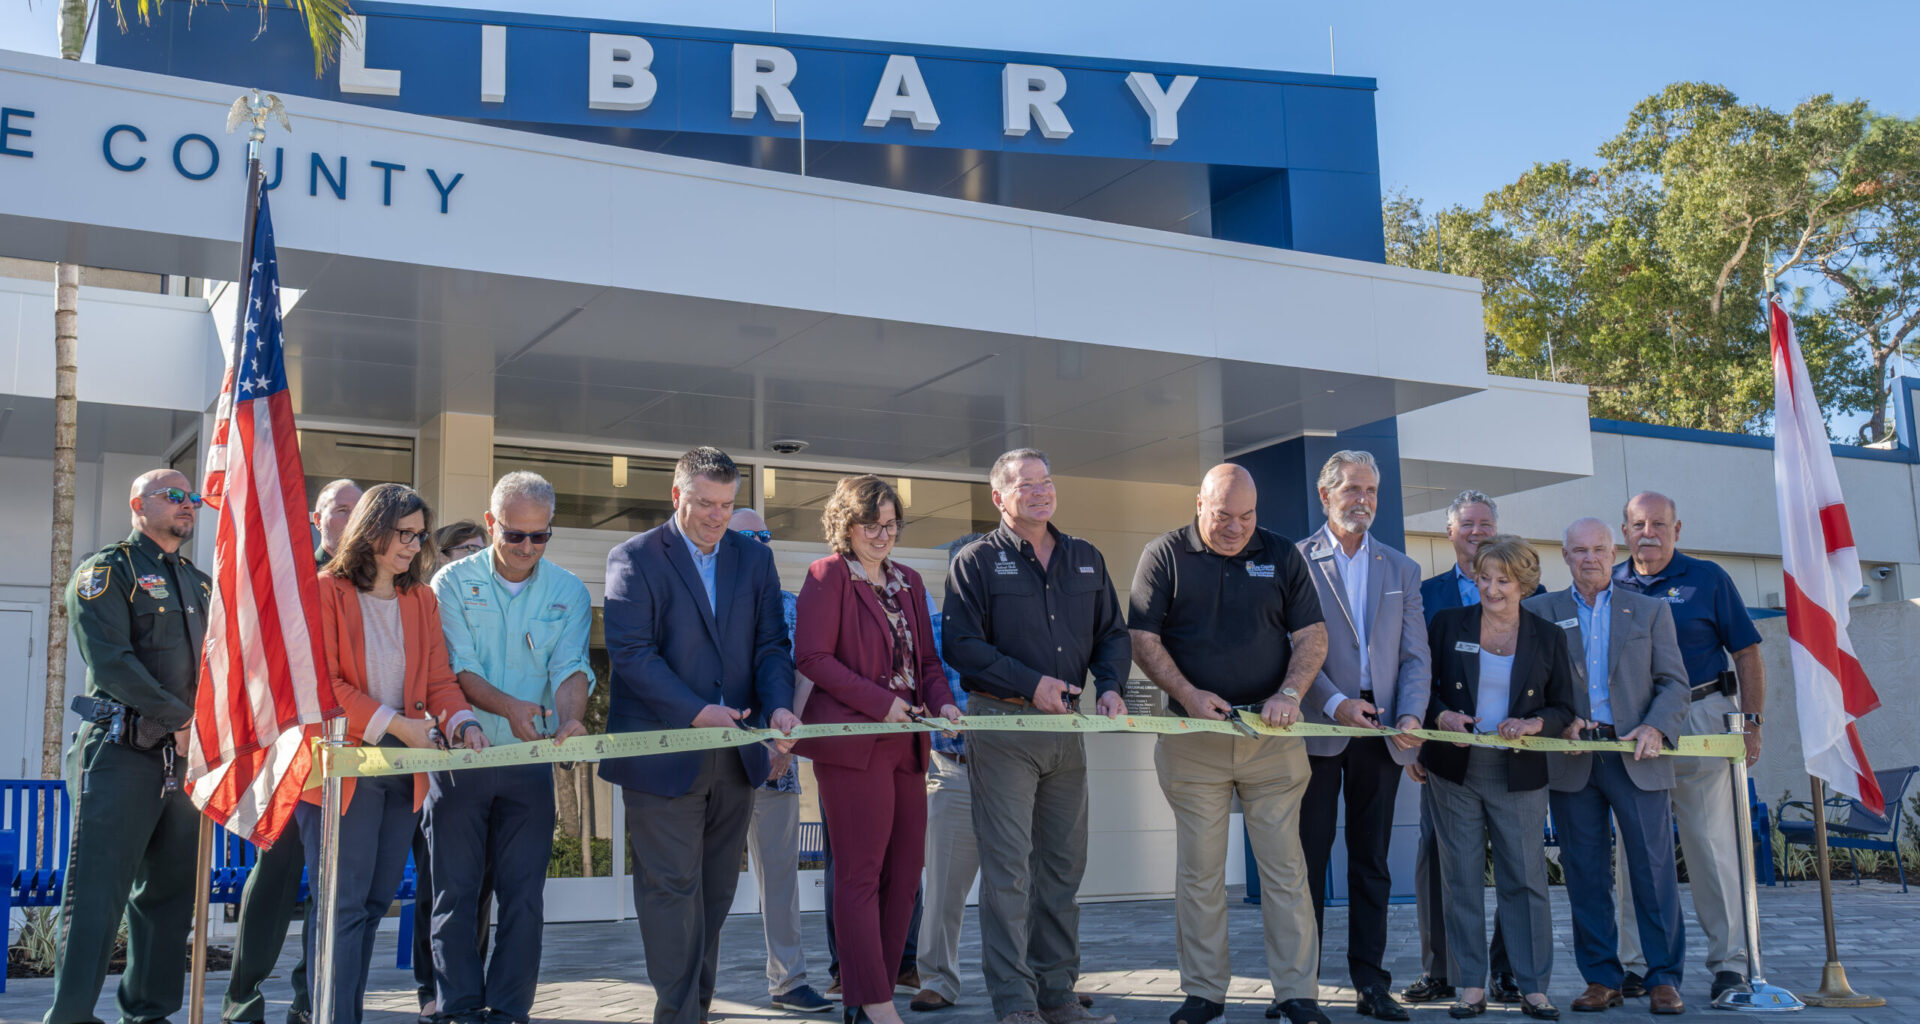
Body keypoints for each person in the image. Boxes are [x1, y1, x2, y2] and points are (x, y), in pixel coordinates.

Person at [600, 446, 800, 1024]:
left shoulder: (752, 561)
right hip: (663, 758)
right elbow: (632, 655)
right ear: (677, 496)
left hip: (735, 756)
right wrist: (696, 712)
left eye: (727, 504)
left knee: (714, 895)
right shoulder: (634, 557)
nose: (716, 515)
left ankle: (694, 1009)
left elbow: (771, 647)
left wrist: (780, 707)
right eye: (705, 503)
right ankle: (679, 1014)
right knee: (670, 892)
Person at [1128, 464, 1332, 1024]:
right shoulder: (1164, 554)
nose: (1236, 528)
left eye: (1247, 516)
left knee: (1285, 868)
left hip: (1272, 737)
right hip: (1194, 737)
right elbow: (1142, 638)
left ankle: (1297, 993)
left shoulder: (1283, 554)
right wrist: (1189, 694)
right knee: (1200, 869)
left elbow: (1313, 635)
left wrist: (1291, 692)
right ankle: (1203, 993)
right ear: (1199, 504)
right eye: (1223, 516)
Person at [943, 448, 1130, 1024]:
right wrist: (1032, 682)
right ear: (999, 497)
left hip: (1065, 731)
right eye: (1026, 485)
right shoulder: (976, 561)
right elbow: (962, 647)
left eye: (1046, 481)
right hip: (1001, 724)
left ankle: (1057, 993)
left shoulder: (1085, 558)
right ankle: (1015, 1002)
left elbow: (1112, 634)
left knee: (1062, 867)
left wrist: (1111, 686)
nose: (1041, 492)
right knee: (1008, 871)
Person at [302, 482, 486, 1024]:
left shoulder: (420, 598)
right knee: (343, 908)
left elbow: (439, 680)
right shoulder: (323, 591)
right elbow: (324, 685)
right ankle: (333, 1016)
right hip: (344, 770)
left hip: (404, 770)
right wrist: (398, 727)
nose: (412, 545)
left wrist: (462, 720)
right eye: (402, 533)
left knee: (375, 903)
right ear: (372, 529)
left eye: (419, 535)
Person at [428, 472, 594, 1024]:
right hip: (460, 763)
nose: (527, 547)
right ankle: (458, 1007)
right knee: (456, 894)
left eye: (540, 536)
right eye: (515, 535)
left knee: (524, 897)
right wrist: (510, 709)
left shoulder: (568, 590)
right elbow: (458, 671)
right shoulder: (450, 582)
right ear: (491, 522)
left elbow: (571, 666)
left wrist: (571, 721)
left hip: (529, 764)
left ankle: (511, 1008)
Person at [46, 470, 211, 1024]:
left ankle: (149, 1012)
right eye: (174, 496)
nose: (188, 505)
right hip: (121, 752)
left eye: (192, 497)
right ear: (138, 504)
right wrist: (181, 717)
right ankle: (70, 1016)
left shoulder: (199, 582)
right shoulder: (105, 572)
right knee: (97, 895)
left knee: (167, 899)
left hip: (183, 760)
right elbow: (112, 664)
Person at [795, 476, 962, 1024]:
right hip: (853, 746)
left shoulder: (911, 581)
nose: (883, 535)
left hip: (908, 744)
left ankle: (875, 993)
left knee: (907, 870)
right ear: (846, 525)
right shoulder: (827, 577)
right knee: (860, 873)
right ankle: (871, 1000)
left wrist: (943, 706)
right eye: (873, 525)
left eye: (891, 525)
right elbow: (814, 659)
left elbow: (929, 666)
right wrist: (879, 704)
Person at [1526, 518, 1690, 1015]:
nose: (1590, 558)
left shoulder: (1649, 610)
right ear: (1565, 555)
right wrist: (1553, 725)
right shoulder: (1538, 611)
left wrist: (1656, 728)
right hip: (1574, 758)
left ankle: (1663, 977)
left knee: (1654, 868)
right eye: (1579, 550)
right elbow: (1527, 686)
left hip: (1635, 756)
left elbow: (1674, 684)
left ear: (1613, 552)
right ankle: (1601, 978)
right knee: (1584, 872)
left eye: (1599, 549)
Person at [1612, 492, 1764, 1002]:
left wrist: (1752, 724)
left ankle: (1729, 964)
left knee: (1711, 846)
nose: (1648, 532)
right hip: (1635, 731)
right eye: (1638, 524)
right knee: (1635, 852)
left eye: (1659, 523)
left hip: (1701, 716)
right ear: (1625, 531)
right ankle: (1635, 965)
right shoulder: (1610, 582)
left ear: (1678, 529)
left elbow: (1746, 651)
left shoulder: (1708, 579)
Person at [1294, 452, 1429, 1022]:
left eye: (1372, 490)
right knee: (1306, 858)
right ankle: (1297, 986)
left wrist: (1411, 716)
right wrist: (1333, 701)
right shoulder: (1296, 561)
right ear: (1326, 495)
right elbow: (1291, 648)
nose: (1364, 500)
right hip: (1319, 725)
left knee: (1371, 859)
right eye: (1352, 489)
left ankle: (1371, 985)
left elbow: (1416, 655)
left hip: (1383, 732)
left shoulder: (1401, 568)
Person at [1421, 535, 1575, 1021]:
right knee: (1460, 878)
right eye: (1483, 577)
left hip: (1520, 771)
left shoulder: (1548, 636)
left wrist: (1534, 724)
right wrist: (1441, 717)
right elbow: (1420, 690)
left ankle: (1533, 987)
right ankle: (1470, 985)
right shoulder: (1447, 624)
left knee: (1524, 880)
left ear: (1524, 584)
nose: (1491, 589)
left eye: (1503, 580)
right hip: (1456, 770)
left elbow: (1564, 708)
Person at [224, 478, 361, 1024]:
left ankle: (311, 999)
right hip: (293, 753)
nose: (351, 519)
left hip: (350, 757)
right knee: (274, 880)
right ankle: (243, 998)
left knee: (333, 888)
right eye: (341, 509)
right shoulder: (294, 579)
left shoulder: (375, 584)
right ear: (316, 517)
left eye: (360, 509)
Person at [1407, 490, 1530, 1006]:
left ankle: (1505, 971)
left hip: (1510, 755)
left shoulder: (1528, 596)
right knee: (1438, 861)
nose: (1476, 532)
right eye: (1467, 525)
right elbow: (1411, 666)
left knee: (1512, 864)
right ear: (1449, 532)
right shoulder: (1426, 593)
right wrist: (1416, 737)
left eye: (1485, 524)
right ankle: (1442, 970)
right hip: (1442, 749)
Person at [730, 507, 833, 1015]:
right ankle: (690, 989)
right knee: (703, 879)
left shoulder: (790, 606)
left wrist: (781, 746)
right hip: (713, 764)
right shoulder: (703, 603)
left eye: (765, 535)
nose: (760, 544)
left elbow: (806, 675)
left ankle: (789, 981)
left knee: (781, 881)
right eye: (749, 535)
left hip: (776, 763)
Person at [909, 537, 977, 1015]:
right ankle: (937, 979)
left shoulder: (1021, 630)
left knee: (1031, 884)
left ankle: (1047, 979)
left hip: (1019, 771)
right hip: (954, 770)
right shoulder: (928, 630)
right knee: (944, 887)